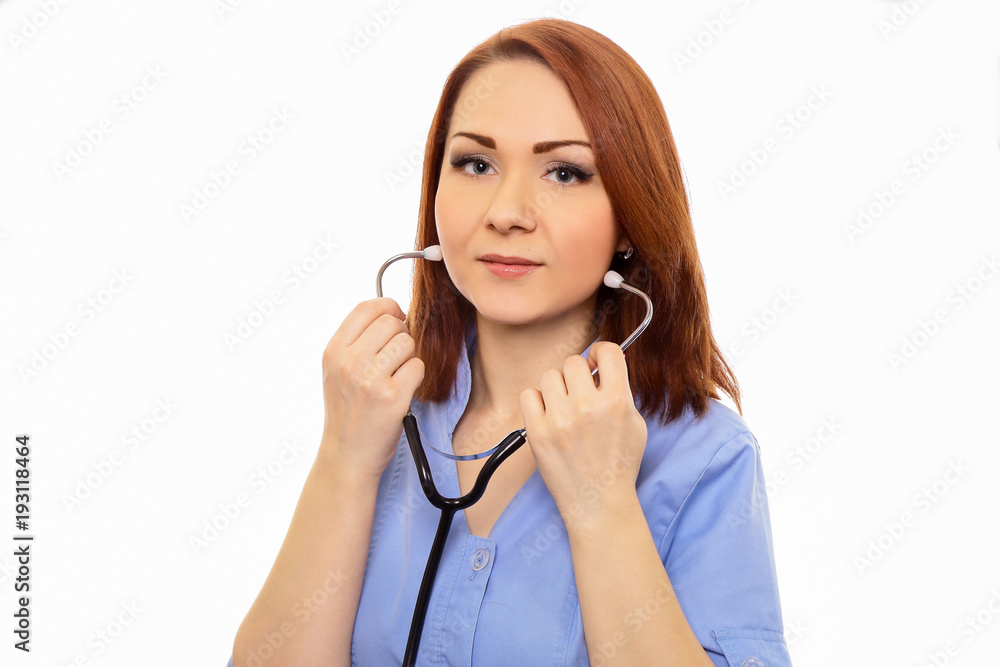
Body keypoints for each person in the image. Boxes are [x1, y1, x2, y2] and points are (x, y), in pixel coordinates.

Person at [228, 17, 791, 667]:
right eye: (475, 163)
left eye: (564, 173)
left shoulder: (705, 458)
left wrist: (602, 504)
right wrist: (343, 460)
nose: (507, 211)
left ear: (632, 218)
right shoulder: (382, 414)